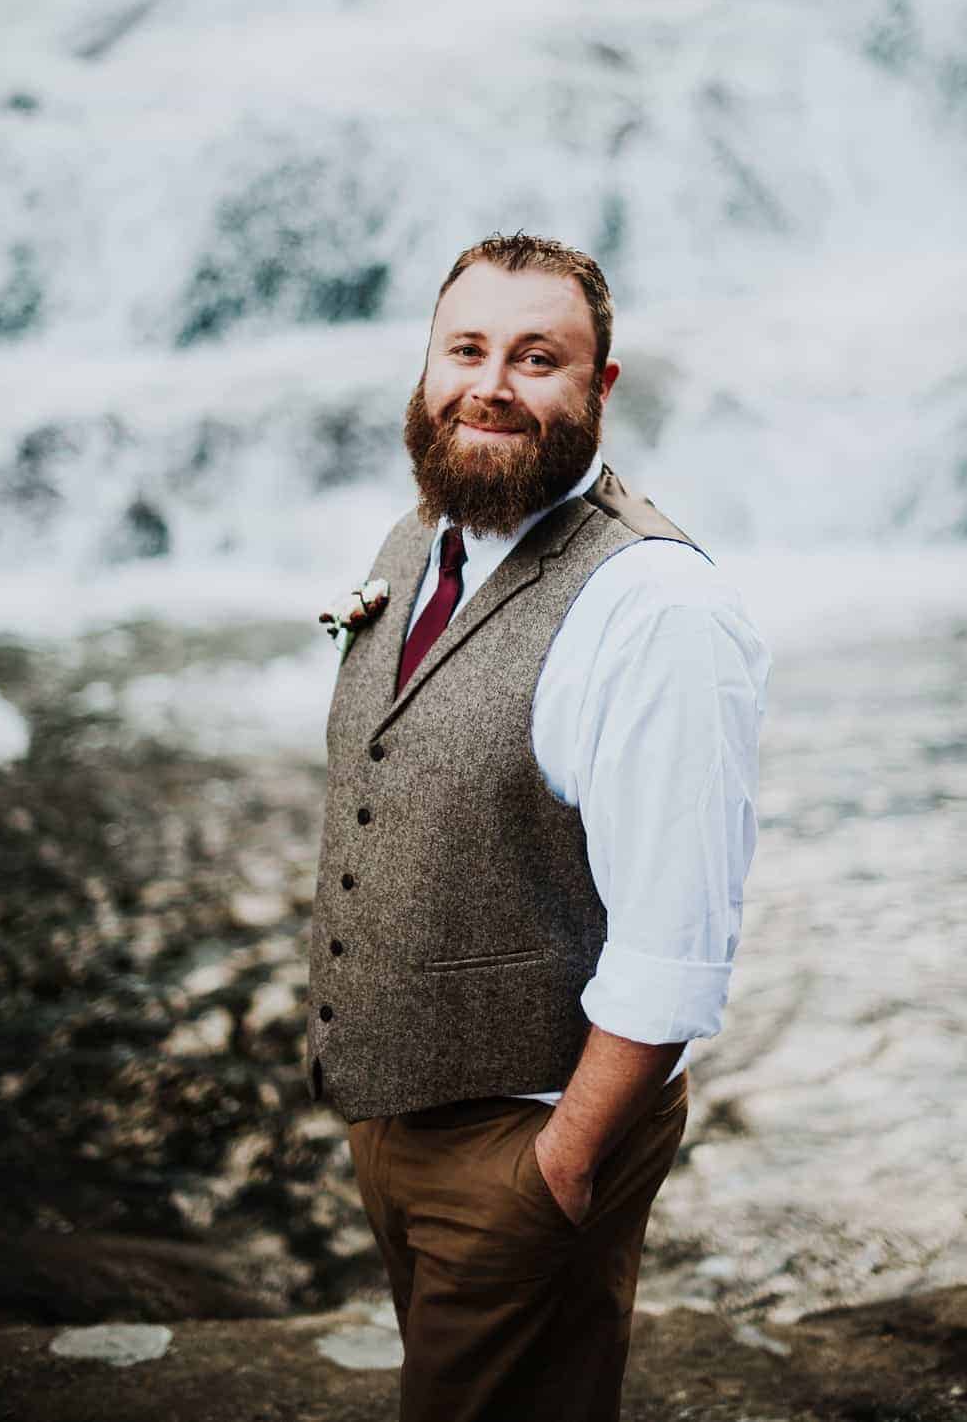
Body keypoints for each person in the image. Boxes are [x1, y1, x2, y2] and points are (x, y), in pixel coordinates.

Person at [305, 232, 770, 1422]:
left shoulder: (657, 608)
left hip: (528, 1140)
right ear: (426, 366)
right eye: (465, 349)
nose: (491, 385)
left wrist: (559, 1167)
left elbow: (677, 942)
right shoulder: (422, 535)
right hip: (395, 1115)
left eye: (537, 357)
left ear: (599, 387)